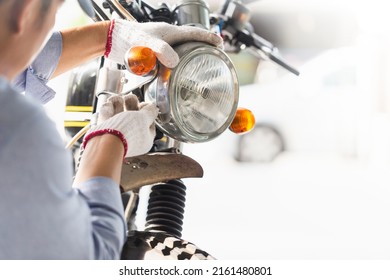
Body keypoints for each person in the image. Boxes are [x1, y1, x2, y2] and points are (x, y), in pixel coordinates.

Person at [0, 0, 222, 259]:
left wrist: (108, 36)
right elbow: (87, 260)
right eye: (56, 11)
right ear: (25, 10)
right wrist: (106, 141)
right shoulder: (18, 129)